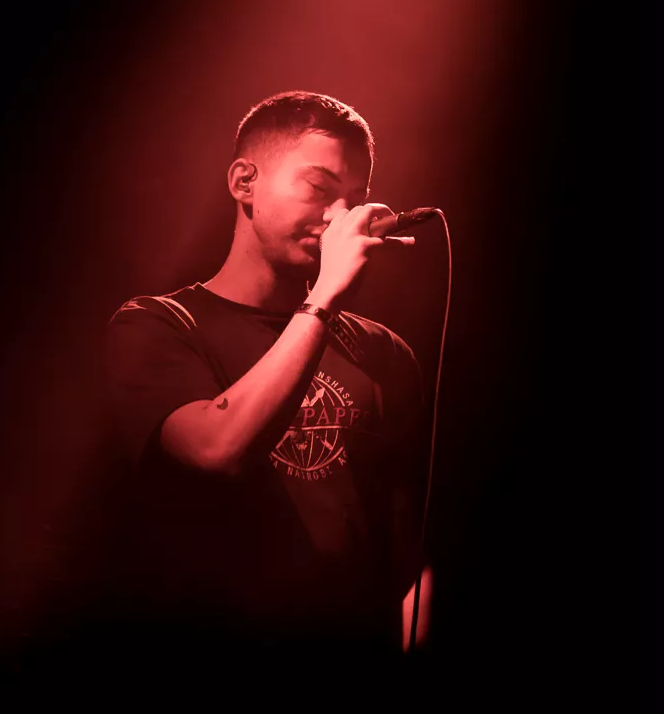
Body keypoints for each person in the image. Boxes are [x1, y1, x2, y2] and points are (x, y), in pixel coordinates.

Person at [103, 90, 432, 679]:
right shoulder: (156, 325)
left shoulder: (384, 352)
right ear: (244, 182)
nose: (339, 216)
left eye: (354, 200)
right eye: (319, 187)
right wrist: (325, 297)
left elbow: (411, 550)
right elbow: (217, 447)